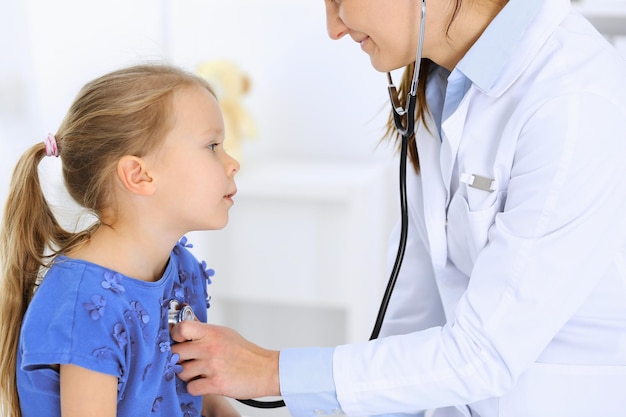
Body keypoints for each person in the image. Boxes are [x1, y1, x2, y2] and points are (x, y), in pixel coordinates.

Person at [169, 0, 626, 416]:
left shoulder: (572, 103)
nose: (334, 28)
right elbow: (416, 306)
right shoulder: (438, 85)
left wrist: (270, 371)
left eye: (339, 0)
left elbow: (485, 353)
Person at [0, 64, 241, 417]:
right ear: (138, 175)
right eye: (212, 146)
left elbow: (194, 389)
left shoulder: (180, 268)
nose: (232, 163)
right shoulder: (85, 307)